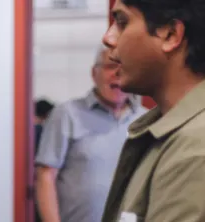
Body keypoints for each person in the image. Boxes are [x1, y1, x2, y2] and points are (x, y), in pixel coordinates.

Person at [101, 0, 205, 221]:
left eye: (122, 21)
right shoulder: (180, 134)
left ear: (170, 34)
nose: (108, 38)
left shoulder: (199, 149)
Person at [35, 46, 146, 222]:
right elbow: (45, 175)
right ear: (94, 73)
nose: (117, 73)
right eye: (110, 66)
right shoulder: (67, 114)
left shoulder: (146, 120)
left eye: (124, 68)